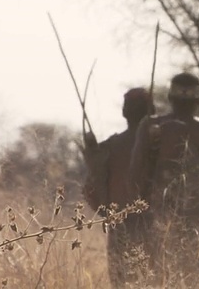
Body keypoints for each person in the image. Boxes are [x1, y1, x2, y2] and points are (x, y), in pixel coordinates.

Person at [128, 72, 199, 288]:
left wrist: (139, 211)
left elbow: (133, 174)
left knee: (159, 280)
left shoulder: (151, 126)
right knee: (198, 280)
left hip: (159, 219)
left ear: (170, 98)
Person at [82, 87, 154, 289]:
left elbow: (91, 188)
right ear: (152, 110)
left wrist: (107, 213)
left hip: (120, 224)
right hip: (155, 223)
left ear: (124, 112)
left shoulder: (110, 147)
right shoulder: (161, 144)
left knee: (122, 282)